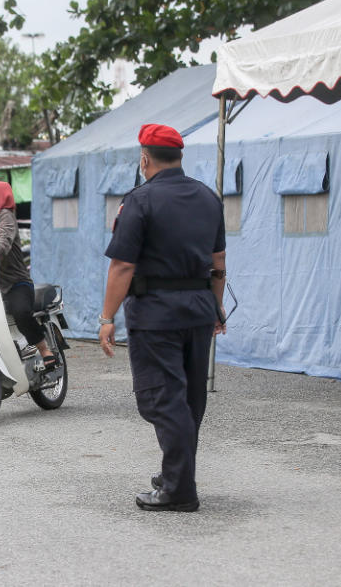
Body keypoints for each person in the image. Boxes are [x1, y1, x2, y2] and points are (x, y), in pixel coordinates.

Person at [99, 124, 226, 512]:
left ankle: (179, 490)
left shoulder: (140, 200)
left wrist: (107, 317)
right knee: (189, 400)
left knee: (162, 399)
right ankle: (177, 475)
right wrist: (216, 308)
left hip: (156, 314)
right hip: (199, 310)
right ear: (180, 157)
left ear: (145, 158)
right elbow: (218, 264)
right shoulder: (209, 197)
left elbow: (122, 265)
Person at [0, 180, 56, 367]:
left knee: (21, 312)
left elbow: (5, 238)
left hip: (14, 282)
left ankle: (44, 349)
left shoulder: (5, 215)